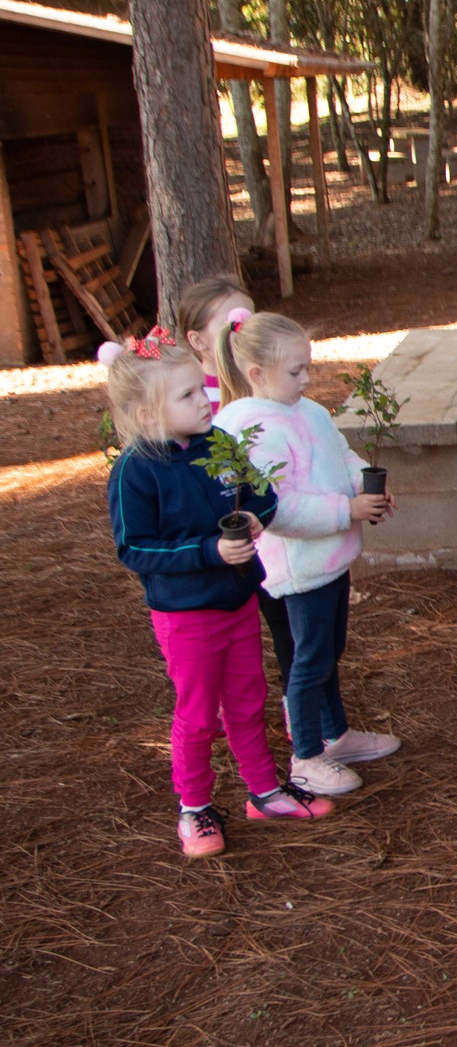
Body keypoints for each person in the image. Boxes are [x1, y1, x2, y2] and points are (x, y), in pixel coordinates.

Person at [102, 333, 334, 858]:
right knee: (199, 714)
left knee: (248, 700)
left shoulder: (220, 444)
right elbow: (135, 547)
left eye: (199, 389)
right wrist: (208, 550)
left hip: (238, 601)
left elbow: (262, 495)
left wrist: (254, 514)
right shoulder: (135, 471)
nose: (203, 400)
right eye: (186, 395)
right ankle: (195, 807)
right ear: (147, 413)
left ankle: (264, 791)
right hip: (187, 616)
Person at [214, 313, 402, 796]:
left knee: (328, 651)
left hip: (328, 560)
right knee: (309, 660)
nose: (306, 379)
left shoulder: (309, 411)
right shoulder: (254, 427)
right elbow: (277, 508)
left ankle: (335, 734)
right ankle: (306, 755)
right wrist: (346, 510)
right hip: (299, 568)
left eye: (307, 367)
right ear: (257, 373)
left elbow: (341, 454)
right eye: (295, 371)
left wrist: (364, 485)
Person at [171, 273, 255, 408]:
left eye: (251, 320)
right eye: (232, 323)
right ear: (198, 341)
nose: (246, 330)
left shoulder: (267, 377)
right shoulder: (197, 398)